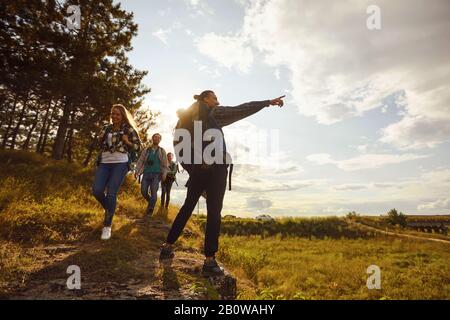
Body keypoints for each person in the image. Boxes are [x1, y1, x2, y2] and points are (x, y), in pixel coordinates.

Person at [160, 90, 285, 277]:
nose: (218, 102)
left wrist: (193, 170)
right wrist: (267, 102)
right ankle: (209, 260)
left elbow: (179, 147)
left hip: (199, 170)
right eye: (215, 98)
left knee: (187, 207)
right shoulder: (214, 114)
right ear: (206, 99)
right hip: (217, 169)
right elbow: (241, 109)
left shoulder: (184, 120)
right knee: (214, 213)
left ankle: (167, 247)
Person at [92, 104, 142, 240]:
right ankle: (110, 208)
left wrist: (128, 142)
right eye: (113, 114)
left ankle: (107, 226)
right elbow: (100, 145)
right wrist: (100, 139)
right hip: (104, 162)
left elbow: (138, 147)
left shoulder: (129, 129)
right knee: (97, 190)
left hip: (120, 162)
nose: (114, 116)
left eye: (118, 114)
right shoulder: (106, 128)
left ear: (123, 116)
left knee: (111, 193)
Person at [135, 133, 169, 218]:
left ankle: (150, 210)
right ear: (152, 139)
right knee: (143, 191)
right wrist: (137, 171)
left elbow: (165, 164)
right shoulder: (146, 150)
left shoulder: (162, 151)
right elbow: (140, 161)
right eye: (155, 137)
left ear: (160, 140)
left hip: (157, 174)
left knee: (154, 191)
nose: (156, 139)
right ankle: (152, 202)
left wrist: (164, 174)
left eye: (158, 138)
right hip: (146, 173)